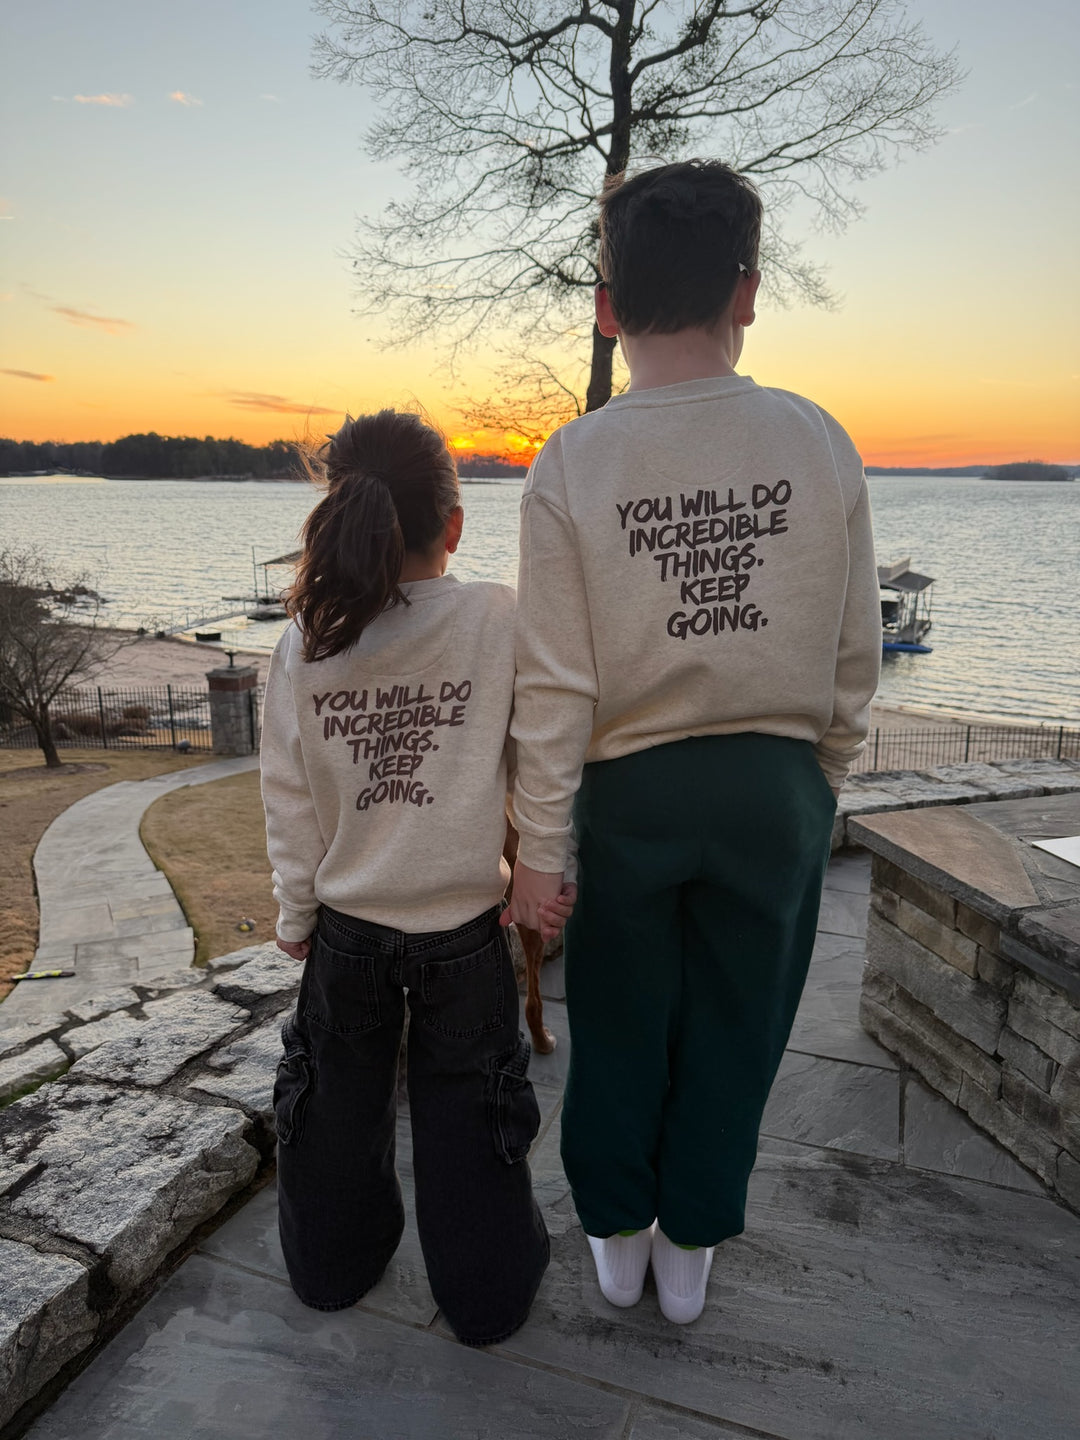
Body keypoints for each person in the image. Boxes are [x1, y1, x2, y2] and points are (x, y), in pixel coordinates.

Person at [503, 161, 881, 1325]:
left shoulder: (574, 459)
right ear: (750, 291)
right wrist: (817, 774)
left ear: (608, 308)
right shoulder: (820, 442)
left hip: (627, 795)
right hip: (771, 787)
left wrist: (537, 846)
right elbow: (852, 648)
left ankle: (618, 1229)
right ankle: (696, 1236)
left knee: (617, 1019)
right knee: (740, 1024)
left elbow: (554, 682)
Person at [261, 409, 569, 1346]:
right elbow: (546, 753)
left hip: (349, 935)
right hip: (465, 938)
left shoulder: (304, 646)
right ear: (455, 523)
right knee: (473, 1129)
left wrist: (294, 911)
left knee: (330, 1123)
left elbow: (290, 799)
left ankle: (330, 1272)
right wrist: (537, 865)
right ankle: (485, 1299)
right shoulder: (495, 617)